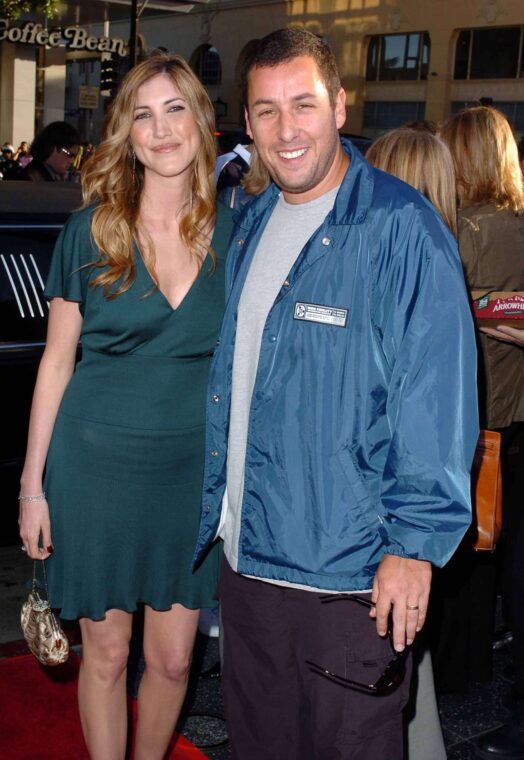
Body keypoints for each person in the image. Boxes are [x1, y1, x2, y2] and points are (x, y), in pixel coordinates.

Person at [193, 28, 478, 760]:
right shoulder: (252, 223)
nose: (286, 130)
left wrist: (415, 546)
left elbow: (436, 399)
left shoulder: (401, 229)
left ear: (340, 106)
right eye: (265, 111)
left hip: (348, 577)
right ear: (246, 123)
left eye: (304, 104)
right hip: (249, 561)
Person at [18, 53, 233, 760]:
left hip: (186, 477)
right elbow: (56, 362)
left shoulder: (236, 234)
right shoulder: (91, 229)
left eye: (176, 110)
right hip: (94, 469)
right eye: (143, 113)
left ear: (201, 124)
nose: (161, 128)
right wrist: (31, 488)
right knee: (106, 658)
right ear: (126, 133)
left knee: (173, 662)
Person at [366, 125, 460, 760]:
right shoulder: (446, 248)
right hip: (413, 512)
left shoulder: (406, 257)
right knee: (406, 658)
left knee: (389, 656)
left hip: (389, 504)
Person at [440, 106, 524, 758]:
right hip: (519, 421)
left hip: (478, 423)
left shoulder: (459, 231)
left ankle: (463, 676)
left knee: (469, 553)